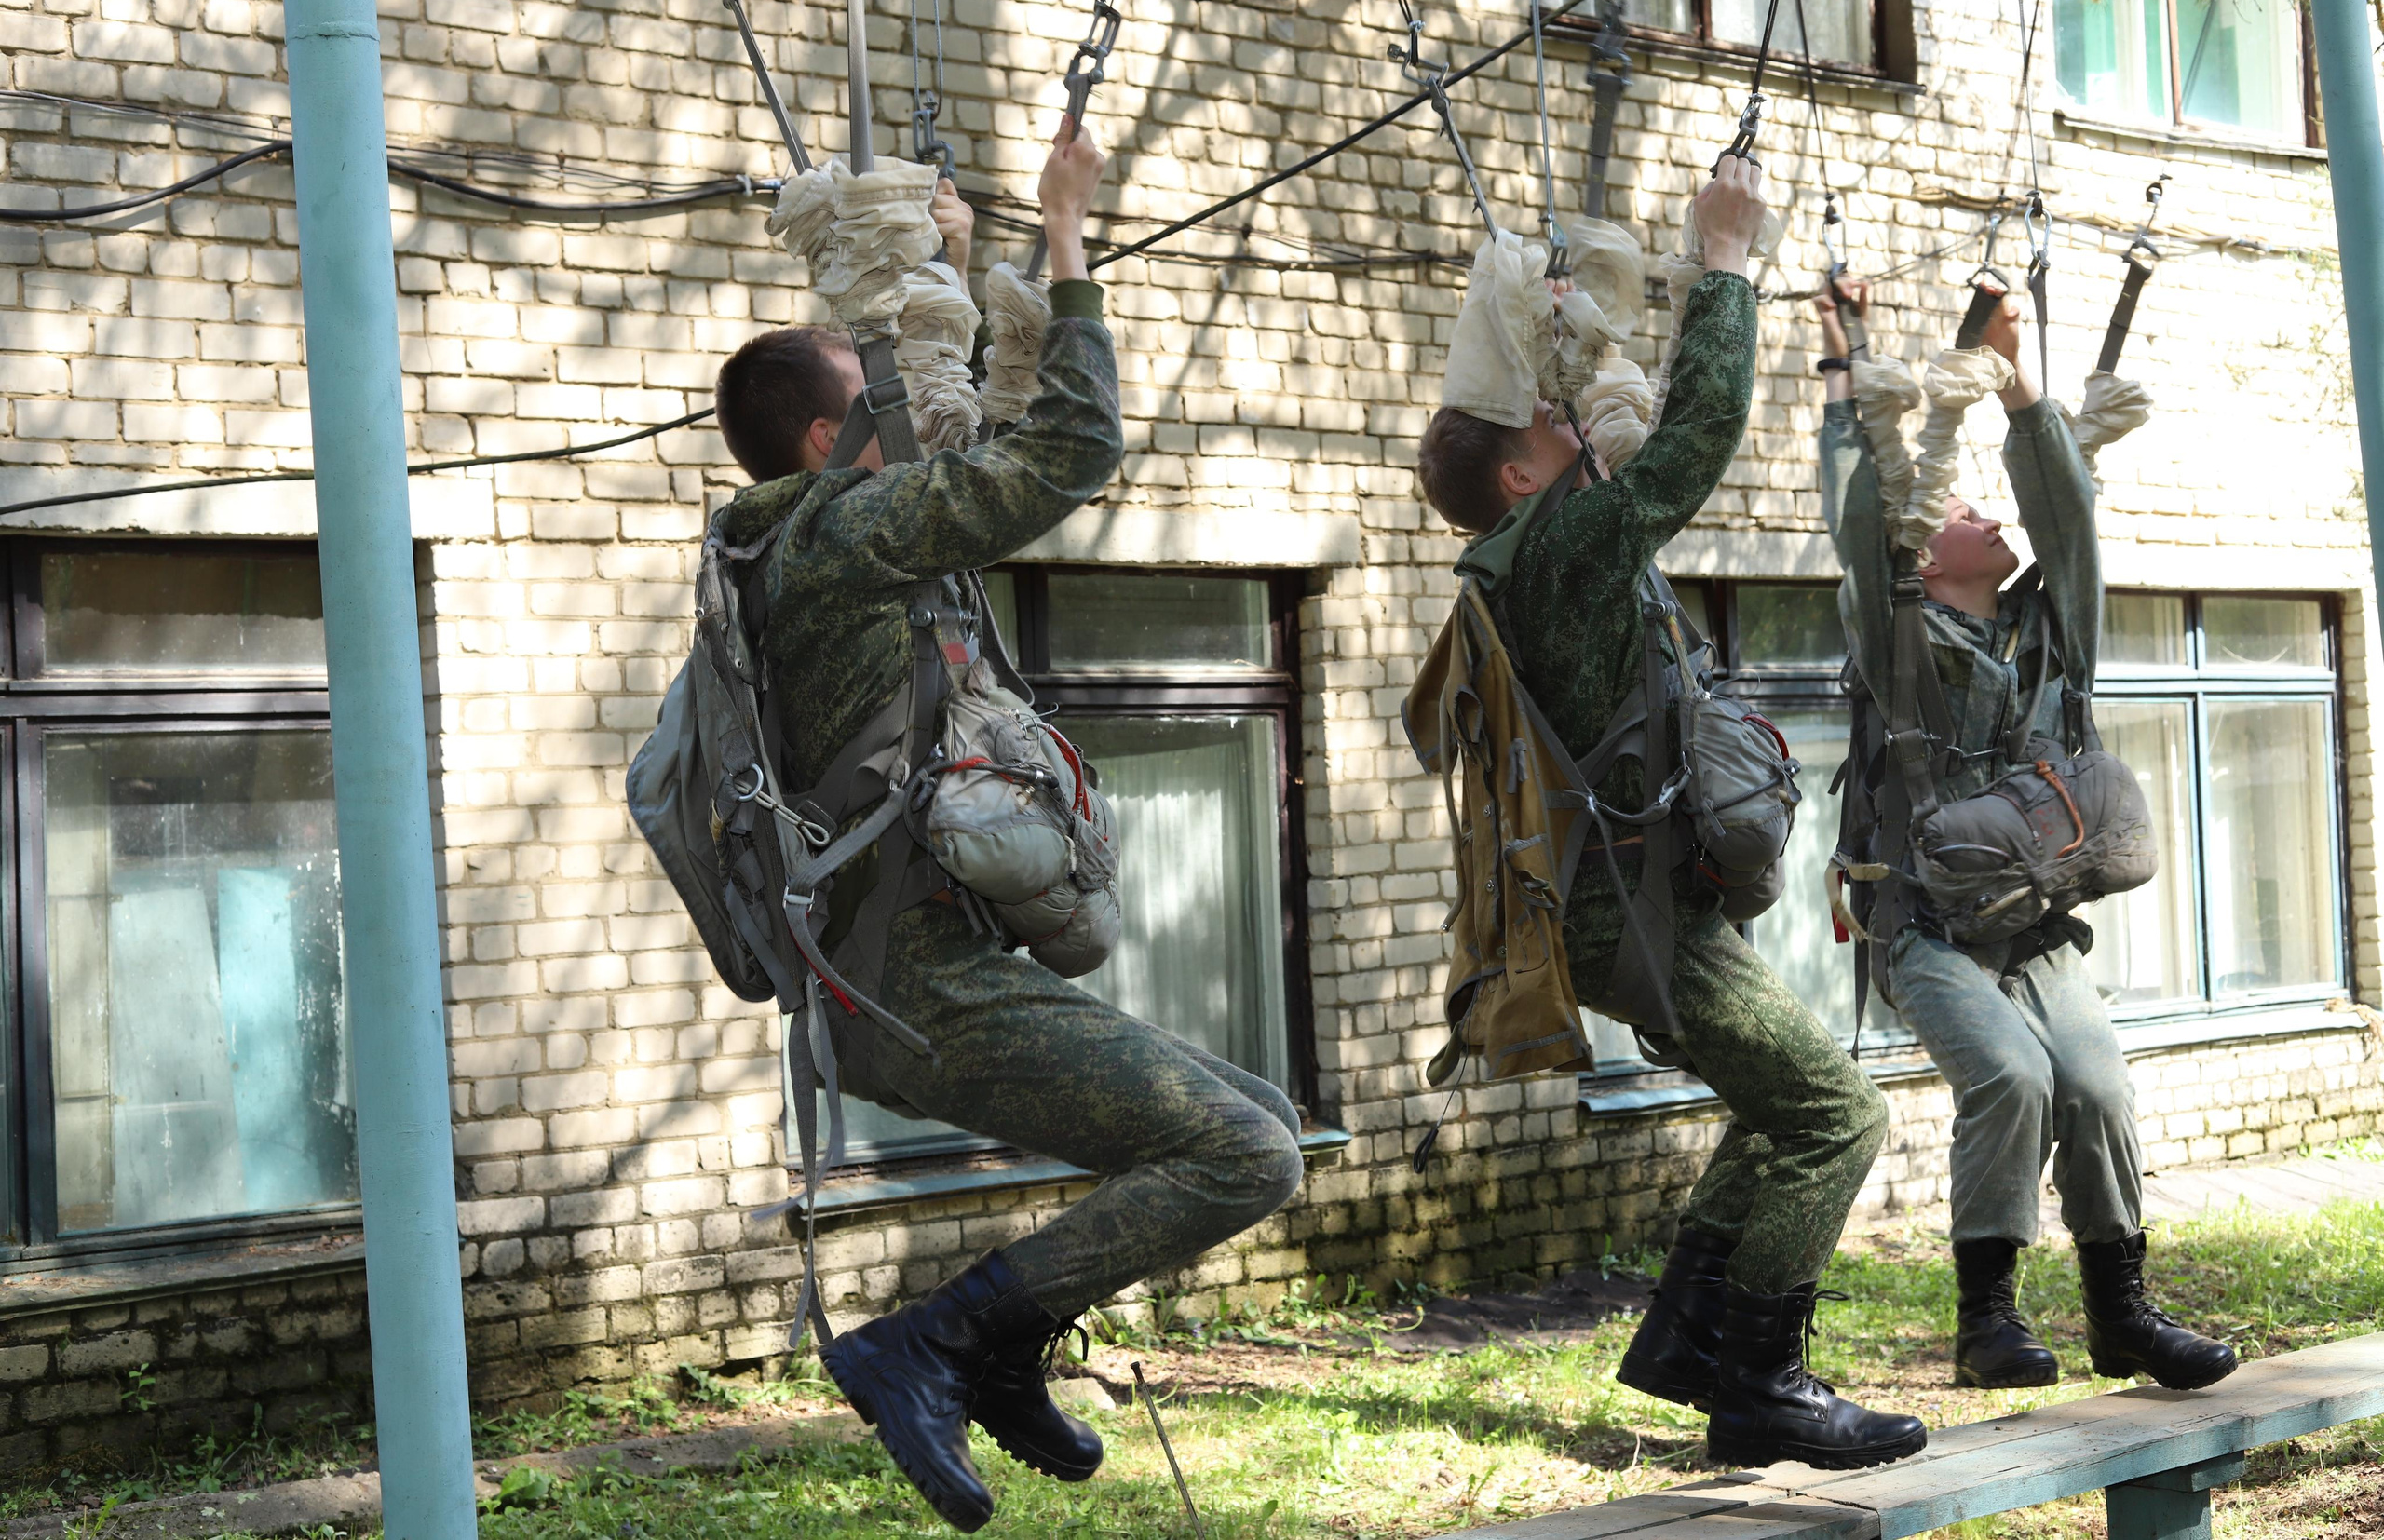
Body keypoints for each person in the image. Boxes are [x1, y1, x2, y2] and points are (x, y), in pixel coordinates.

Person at [706, 125, 1306, 1533]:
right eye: (881, 393)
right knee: (1249, 1155)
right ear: (824, 436)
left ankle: (1008, 1340)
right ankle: (934, 1341)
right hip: (911, 986)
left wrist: (957, 275)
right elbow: (1076, 443)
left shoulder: (838, 539)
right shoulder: (840, 538)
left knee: (1261, 1122)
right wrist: (1068, 238)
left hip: (922, 973)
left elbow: (951, 412)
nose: (917, 401)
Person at [1413, 157, 1925, 1471]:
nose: (1571, 420)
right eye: (1548, 424)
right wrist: (1727, 266)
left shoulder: (1552, 549)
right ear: (1523, 481)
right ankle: (1761, 1379)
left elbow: (1629, 435)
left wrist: (1581, 329)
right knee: (1835, 1112)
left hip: (1641, 895)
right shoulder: (1563, 553)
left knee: (1780, 1103)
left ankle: (1693, 1341)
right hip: (1630, 906)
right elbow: (1690, 447)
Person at [1815, 281, 2236, 1393]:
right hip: (1928, 931)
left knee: (2095, 1087)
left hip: (2040, 929)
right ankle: (1985, 1322)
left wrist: (2023, 386)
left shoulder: (2054, 630)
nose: (1985, 516)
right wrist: (1844, 369)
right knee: (2010, 1079)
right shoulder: (1892, 624)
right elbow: (1860, 512)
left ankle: (2121, 1314)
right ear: (1920, 555)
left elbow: (2064, 513)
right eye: (1959, 513)